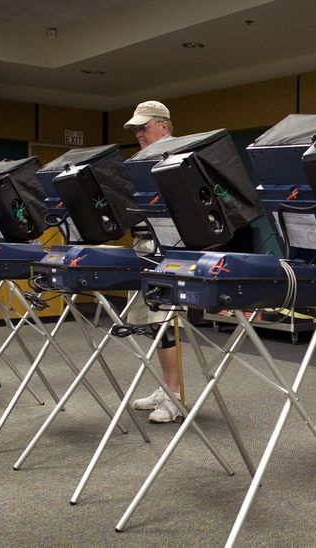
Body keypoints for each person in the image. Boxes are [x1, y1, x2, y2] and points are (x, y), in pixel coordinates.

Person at [123, 101, 182, 423]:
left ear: (163, 125)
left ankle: (173, 395)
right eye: (135, 129)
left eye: (143, 128)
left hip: (169, 249)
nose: (138, 134)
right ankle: (165, 387)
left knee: (163, 320)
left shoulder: (175, 158)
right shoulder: (138, 161)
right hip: (143, 244)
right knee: (150, 321)